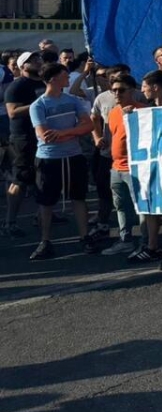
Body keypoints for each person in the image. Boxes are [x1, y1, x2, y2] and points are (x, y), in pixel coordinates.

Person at [28, 63, 96, 259]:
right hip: (49, 158)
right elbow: (44, 136)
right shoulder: (38, 105)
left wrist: (65, 133)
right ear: (52, 79)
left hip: (73, 156)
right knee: (46, 202)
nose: (68, 78)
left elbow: (88, 125)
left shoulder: (72, 100)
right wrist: (74, 132)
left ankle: (84, 237)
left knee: (78, 197)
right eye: (64, 75)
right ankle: (45, 241)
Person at [128, 70, 162, 268]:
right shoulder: (147, 110)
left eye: (144, 87)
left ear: (155, 87)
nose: (142, 91)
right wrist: (131, 117)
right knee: (151, 205)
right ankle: (152, 246)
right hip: (151, 166)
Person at [99, 74, 145, 256]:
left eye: (121, 90)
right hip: (116, 167)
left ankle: (146, 241)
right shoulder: (113, 112)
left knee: (140, 206)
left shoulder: (143, 111)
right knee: (121, 206)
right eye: (114, 90)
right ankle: (125, 239)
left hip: (135, 168)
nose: (117, 93)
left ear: (132, 90)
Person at [5, 52, 44, 235]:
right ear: (22, 66)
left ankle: (42, 214)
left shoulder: (43, 82)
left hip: (43, 136)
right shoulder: (17, 86)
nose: (37, 62)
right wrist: (41, 103)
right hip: (23, 138)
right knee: (20, 179)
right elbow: (12, 112)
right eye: (32, 60)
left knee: (44, 177)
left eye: (38, 59)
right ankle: (10, 222)